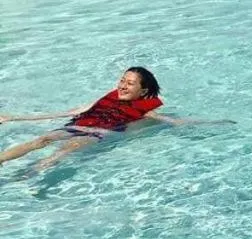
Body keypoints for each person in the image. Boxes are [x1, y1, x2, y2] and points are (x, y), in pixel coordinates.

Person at [0, 67, 184, 171]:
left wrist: (209, 124)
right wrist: (13, 118)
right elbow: (68, 113)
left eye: (130, 83)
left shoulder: (145, 112)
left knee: (67, 149)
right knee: (42, 139)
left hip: (97, 134)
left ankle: (28, 176)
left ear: (143, 91)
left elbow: (173, 122)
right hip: (77, 126)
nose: (123, 86)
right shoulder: (106, 100)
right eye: (122, 81)